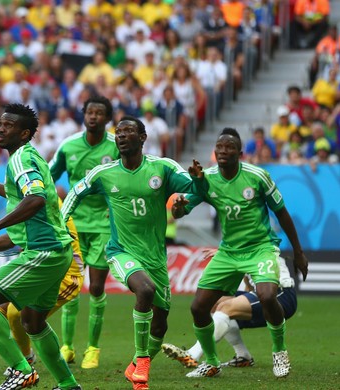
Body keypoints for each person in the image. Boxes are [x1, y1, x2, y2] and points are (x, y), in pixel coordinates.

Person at [61, 116, 207, 389]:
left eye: (129, 131)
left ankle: (135, 367)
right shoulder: (104, 173)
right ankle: (141, 362)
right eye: (118, 132)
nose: (121, 136)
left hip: (155, 257)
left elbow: (196, 188)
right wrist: (61, 227)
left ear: (143, 138)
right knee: (145, 290)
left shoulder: (162, 168)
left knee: (160, 324)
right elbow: (74, 193)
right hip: (120, 251)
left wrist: (197, 182)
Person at [171, 127, 309, 379]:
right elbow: (180, 212)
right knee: (198, 308)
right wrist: (179, 207)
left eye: (229, 148)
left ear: (240, 153)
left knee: (268, 295)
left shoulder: (258, 176)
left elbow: (282, 213)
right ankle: (211, 362)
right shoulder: (206, 178)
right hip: (229, 252)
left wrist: (298, 252)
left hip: (260, 248)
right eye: (219, 147)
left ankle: (280, 352)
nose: (223, 151)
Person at [0, 103, 80, 390]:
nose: (0, 129)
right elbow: (23, 193)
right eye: (0, 124)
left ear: (25, 133)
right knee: (33, 320)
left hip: (43, 250)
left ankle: (21, 371)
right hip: (57, 250)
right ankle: (68, 384)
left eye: (9, 126)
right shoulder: (27, 157)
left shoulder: (21, 159)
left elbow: (36, 199)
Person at [0, 198, 84, 376]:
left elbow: (12, 239)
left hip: (66, 275)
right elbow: (17, 236)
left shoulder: (40, 202)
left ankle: (28, 361)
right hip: (44, 266)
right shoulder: (36, 198)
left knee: (18, 316)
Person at [48, 95, 119, 369]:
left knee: (97, 287)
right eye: (90, 112)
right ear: (84, 115)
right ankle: (67, 347)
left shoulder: (116, 146)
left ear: (107, 118)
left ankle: (93, 348)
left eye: (100, 113)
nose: (94, 116)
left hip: (103, 223)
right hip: (74, 224)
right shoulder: (68, 146)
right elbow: (49, 175)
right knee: (71, 286)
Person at [162, 255, 298, 368]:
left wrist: (224, 254)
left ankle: (193, 354)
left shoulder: (261, 244)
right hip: (261, 295)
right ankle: (243, 356)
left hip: (282, 294)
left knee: (226, 308)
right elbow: (249, 284)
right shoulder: (245, 250)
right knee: (213, 303)